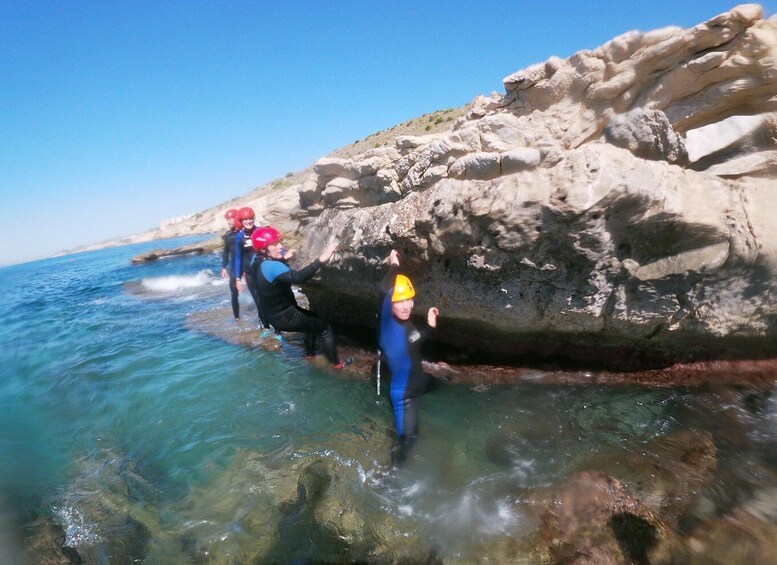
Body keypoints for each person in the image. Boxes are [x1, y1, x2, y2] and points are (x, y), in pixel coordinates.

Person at [250, 226, 343, 369]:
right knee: (325, 329)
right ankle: (336, 365)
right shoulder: (272, 266)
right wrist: (322, 259)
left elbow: (275, 279)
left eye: (279, 242)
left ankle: (309, 355)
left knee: (312, 319)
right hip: (286, 317)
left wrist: (283, 258)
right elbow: (298, 278)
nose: (280, 246)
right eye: (275, 244)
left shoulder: (256, 262)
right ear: (263, 249)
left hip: (274, 316)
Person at [378, 249, 440, 464]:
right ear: (390, 304)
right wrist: (393, 265)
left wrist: (429, 327)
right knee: (408, 438)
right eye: (399, 302)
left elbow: (415, 341)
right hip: (404, 396)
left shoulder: (408, 324)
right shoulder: (389, 326)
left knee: (440, 383)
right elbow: (383, 289)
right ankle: (388, 481)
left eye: (409, 300)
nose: (405, 306)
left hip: (420, 382)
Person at [233, 206, 269, 329]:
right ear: (241, 221)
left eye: (250, 218)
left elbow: (273, 246)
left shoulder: (261, 231)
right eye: (245, 219)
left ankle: (278, 328)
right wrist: (238, 279)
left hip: (264, 271)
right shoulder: (239, 237)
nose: (248, 222)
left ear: (254, 218)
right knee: (258, 301)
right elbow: (238, 258)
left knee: (269, 299)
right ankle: (266, 326)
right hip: (250, 274)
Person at [220, 208, 241, 320]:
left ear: (236, 218)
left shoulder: (244, 232)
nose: (228, 222)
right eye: (227, 220)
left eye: (230, 219)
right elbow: (226, 252)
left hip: (247, 266)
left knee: (257, 292)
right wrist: (223, 267)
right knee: (234, 294)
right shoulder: (228, 235)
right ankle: (237, 318)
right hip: (234, 267)